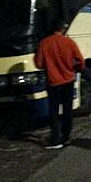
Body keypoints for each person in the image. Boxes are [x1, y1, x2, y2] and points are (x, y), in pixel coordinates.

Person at [34, 18, 85, 149]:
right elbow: (80, 61)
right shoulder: (69, 42)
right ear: (62, 29)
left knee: (54, 111)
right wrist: (75, 69)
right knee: (68, 109)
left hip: (53, 82)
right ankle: (66, 137)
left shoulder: (44, 43)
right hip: (68, 80)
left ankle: (55, 139)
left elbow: (39, 64)